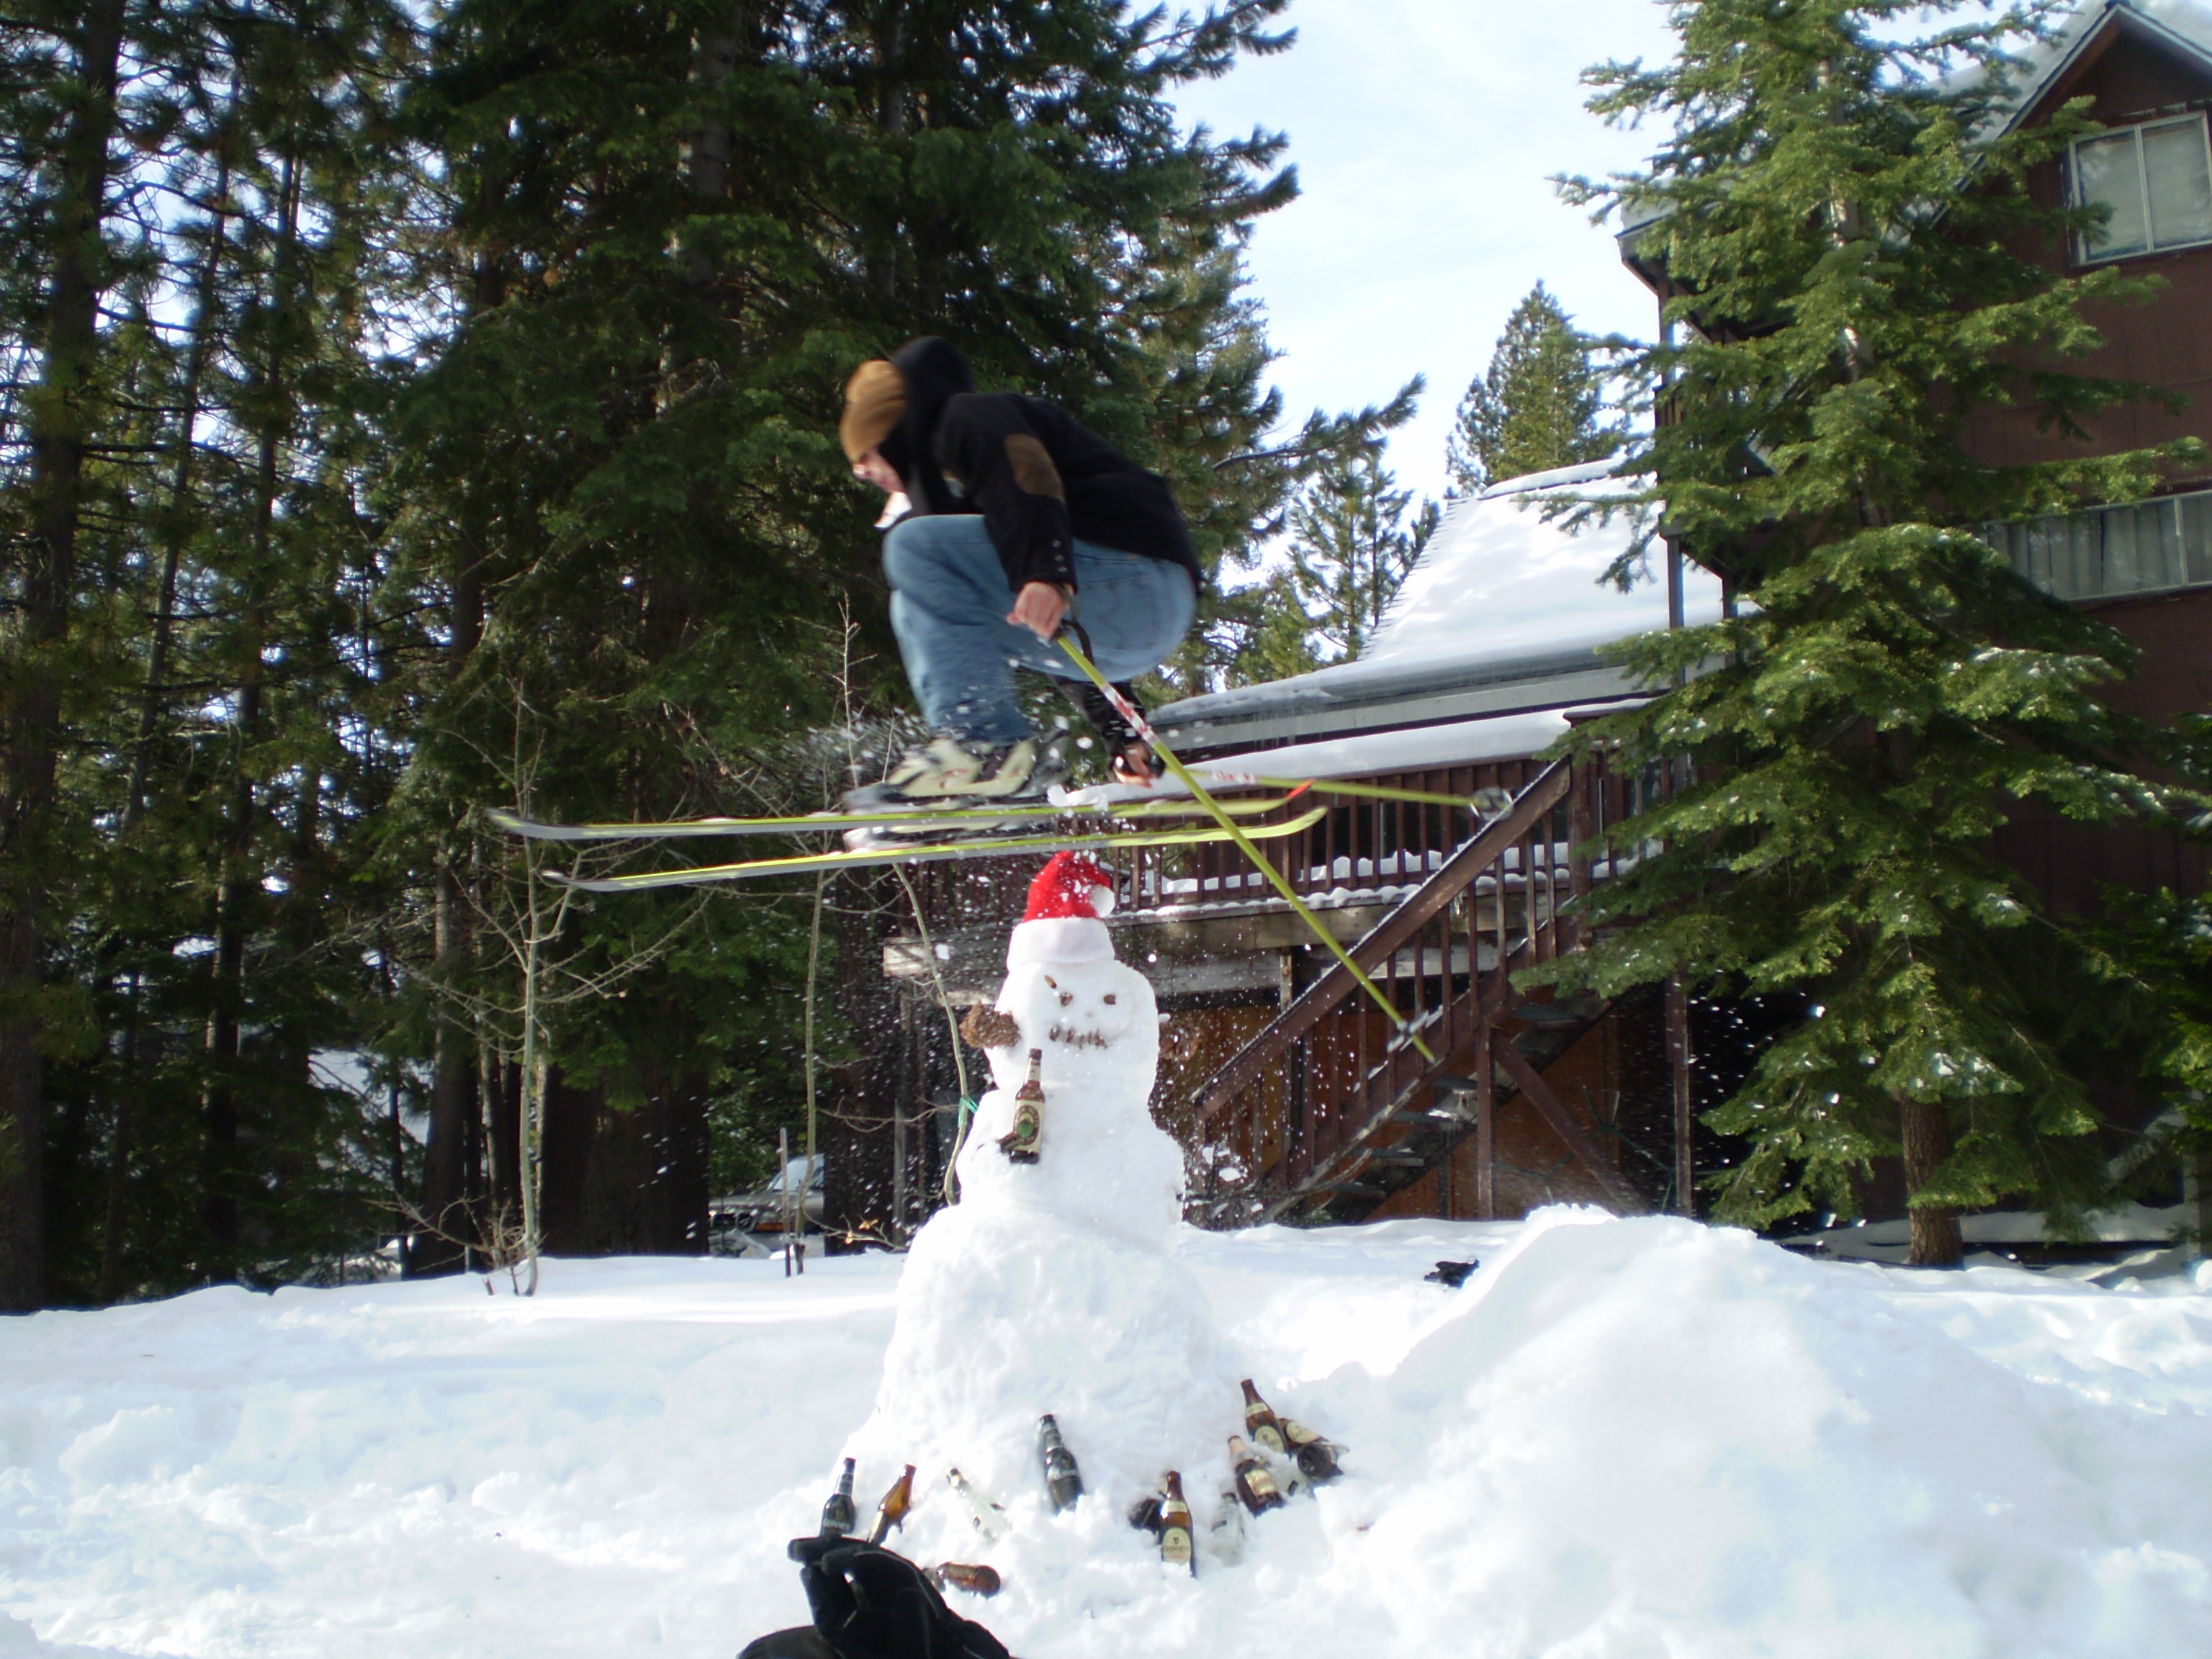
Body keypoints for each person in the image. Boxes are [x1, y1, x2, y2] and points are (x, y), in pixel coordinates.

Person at [838, 337, 1199, 805]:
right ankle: (993, 765)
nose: (869, 475)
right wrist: (1122, 731)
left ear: (888, 432)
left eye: (866, 461)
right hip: (1131, 627)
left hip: (1143, 571)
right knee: (913, 601)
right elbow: (1062, 636)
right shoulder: (958, 510)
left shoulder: (967, 417)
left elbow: (1026, 474)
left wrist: (1045, 573)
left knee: (912, 547)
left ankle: (985, 747)